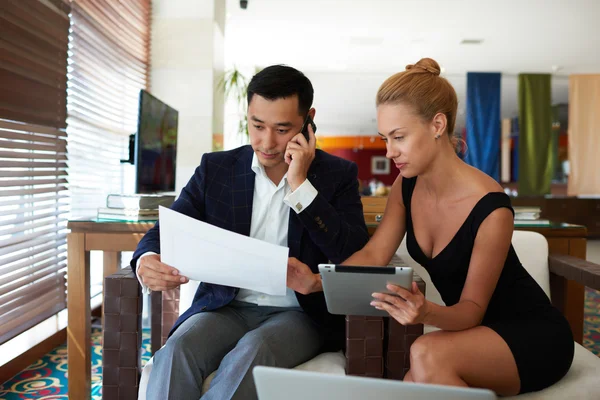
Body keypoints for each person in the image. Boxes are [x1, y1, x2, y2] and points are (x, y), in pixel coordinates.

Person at [292, 58, 574, 396]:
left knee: (423, 352)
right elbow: (374, 253)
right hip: (474, 337)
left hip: (532, 335)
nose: (390, 151)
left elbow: (470, 311)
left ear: (437, 124)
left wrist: (426, 312)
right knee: (410, 386)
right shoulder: (405, 186)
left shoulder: (491, 207)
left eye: (399, 137)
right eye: (384, 138)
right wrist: (317, 282)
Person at [132, 65, 370, 400]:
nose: (267, 142)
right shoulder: (217, 169)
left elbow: (353, 252)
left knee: (252, 352)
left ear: (308, 121)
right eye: (257, 126)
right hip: (228, 307)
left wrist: (300, 185)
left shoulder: (337, 175)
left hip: (299, 314)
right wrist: (146, 259)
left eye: (282, 128)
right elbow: (168, 226)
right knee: (175, 352)